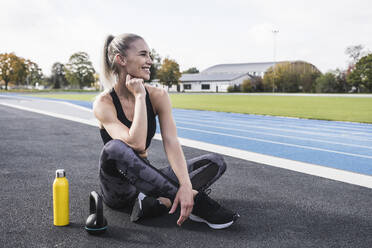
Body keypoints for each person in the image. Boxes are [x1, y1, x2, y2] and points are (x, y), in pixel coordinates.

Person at [93, 33, 239, 229]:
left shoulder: (158, 95)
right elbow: (135, 143)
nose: (150, 61)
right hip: (119, 189)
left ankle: (160, 201)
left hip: (149, 179)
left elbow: (171, 141)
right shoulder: (103, 103)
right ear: (121, 59)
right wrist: (138, 97)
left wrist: (186, 184)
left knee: (215, 162)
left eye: (150, 56)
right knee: (114, 148)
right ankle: (196, 203)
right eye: (143, 55)